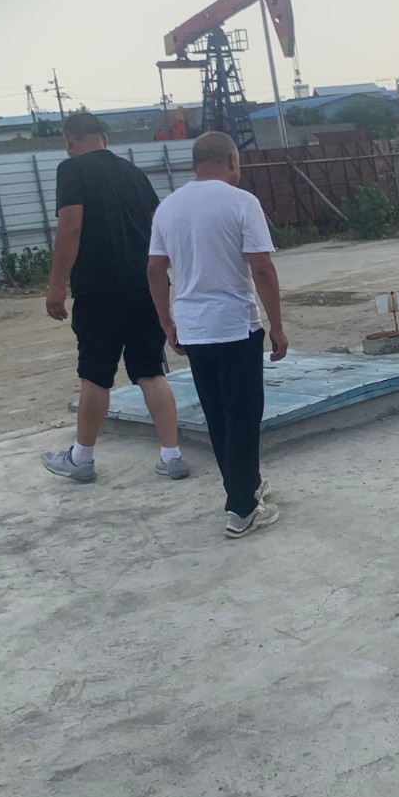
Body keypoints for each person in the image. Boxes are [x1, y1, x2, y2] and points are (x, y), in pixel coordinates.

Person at [146, 132, 288, 538]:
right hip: (234, 326)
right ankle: (242, 509)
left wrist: (166, 322)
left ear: (195, 163)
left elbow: (154, 270)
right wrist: (277, 326)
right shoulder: (241, 202)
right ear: (231, 160)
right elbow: (261, 268)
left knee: (218, 416)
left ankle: (245, 485)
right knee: (243, 416)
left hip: (193, 329)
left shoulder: (168, 207)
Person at [42, 111, 186, 484]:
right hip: (144, 286)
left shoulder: (72, 170)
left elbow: (70, 227)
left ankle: (81, 459)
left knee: (96, 374)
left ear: (69, 142)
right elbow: (159, 228)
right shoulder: (134, 173)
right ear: (103, 138)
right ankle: (171, 456)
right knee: (150, 370)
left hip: (99, 289)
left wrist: (57, 285)